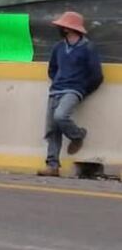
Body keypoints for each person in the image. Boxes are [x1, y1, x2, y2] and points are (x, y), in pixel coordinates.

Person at [37, 11, 103, 178]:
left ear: (68, 29)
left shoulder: (88, 48)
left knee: (60, 116)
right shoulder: (58, 47)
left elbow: (97, 75)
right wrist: (57, 81)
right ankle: (52, 165)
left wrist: (83, 90)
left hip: (74, 90)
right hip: (56, 89)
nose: (60, 29)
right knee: (52, 129)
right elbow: (52, 68)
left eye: (62, 27)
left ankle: (78, 135)